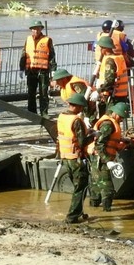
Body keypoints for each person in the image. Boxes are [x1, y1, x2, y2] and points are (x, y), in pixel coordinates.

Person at [87, 102, 130, 212]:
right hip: (100, 158)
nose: (121, 119)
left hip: (97, 157)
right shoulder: (108, 125)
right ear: (115, 113)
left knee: (96, 186)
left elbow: (109, 141)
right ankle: (107, 212)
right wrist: (107, 161)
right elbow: (99, 144)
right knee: (108, 189)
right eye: (120, 116)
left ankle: (94, 211)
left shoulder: (110, 123)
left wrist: (123, 141)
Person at [57, 91, 91, 224]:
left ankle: (78, 211)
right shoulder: (76, 120)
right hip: (76, 158)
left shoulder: (61, 117)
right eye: (81, 107)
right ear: (77, 106)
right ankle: (72, 216)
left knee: (77, 186)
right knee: (81, 187)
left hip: (65, 157)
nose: (82, 109)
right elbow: (82, 142)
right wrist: (94, 136)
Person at [20, 20, 56, 117]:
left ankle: (44, 113)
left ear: (41, 29)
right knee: (31, 92)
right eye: (34, 29)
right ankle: (31, 112)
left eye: (38, 29)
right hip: (31, 70)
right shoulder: (28, 39)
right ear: (31, 30)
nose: (36, 31)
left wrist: (53, 71)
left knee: (43, 92)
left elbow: (52, 56)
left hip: (43, 71)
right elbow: (24, 54)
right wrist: (21, 68)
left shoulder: (47, 40)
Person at [95, 34, 129, 115]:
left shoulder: (109, 60)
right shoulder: (119, 58)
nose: (100, 50)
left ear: (105, 48)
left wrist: (98, 91)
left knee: (110, 117)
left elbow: (110, 81)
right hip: (121, 94)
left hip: (113, 95)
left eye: (101, 48)